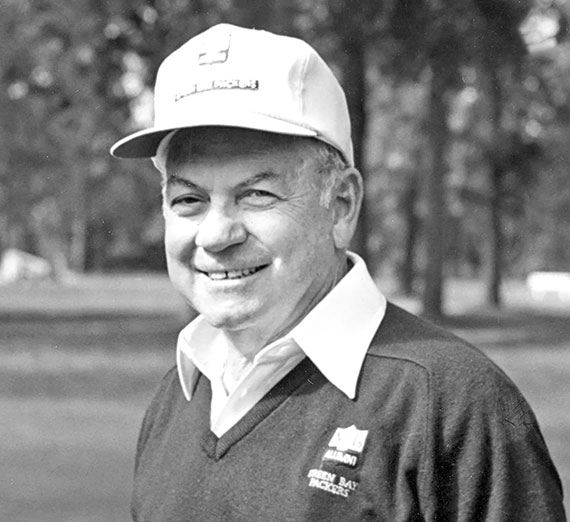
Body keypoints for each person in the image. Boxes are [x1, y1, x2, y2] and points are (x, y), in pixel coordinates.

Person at [111, 23, 565, 522]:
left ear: (342, 205)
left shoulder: (450, 406)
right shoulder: (177, 398)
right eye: (189, 200)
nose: (217, 235)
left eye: (257, 194)